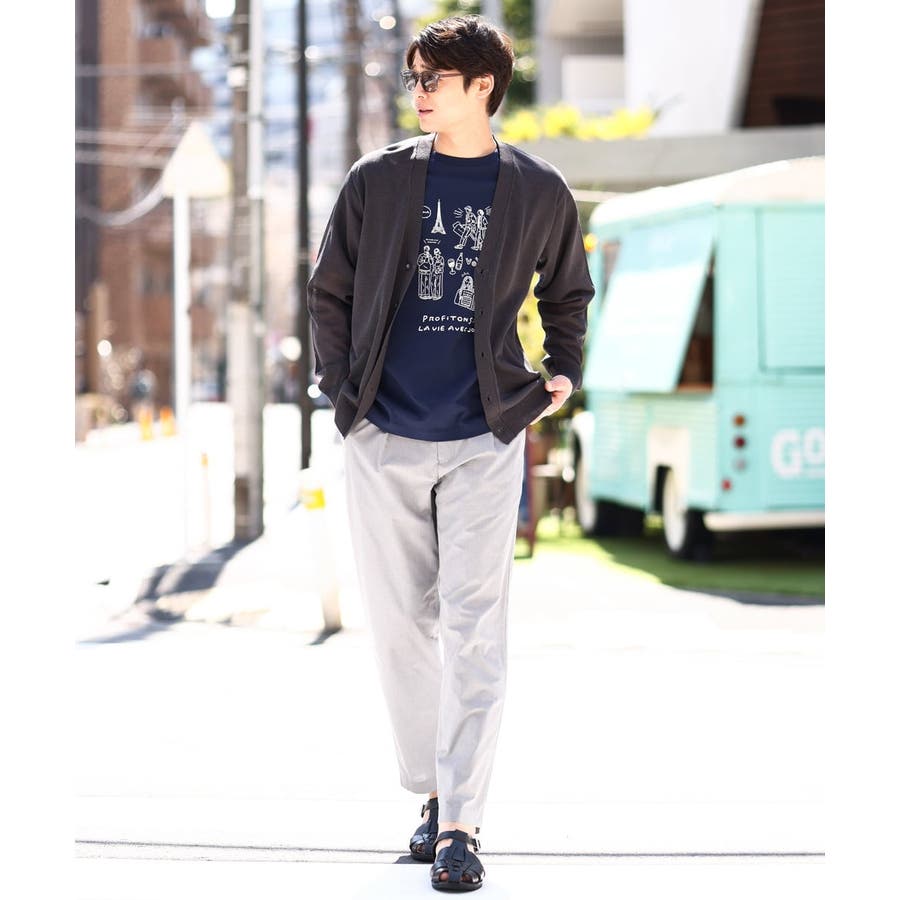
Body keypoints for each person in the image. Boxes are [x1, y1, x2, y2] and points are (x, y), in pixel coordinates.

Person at [308, 14, 594, 892]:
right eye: (415, 78)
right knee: (401, 627)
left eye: (433, 78)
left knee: (475, 628)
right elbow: (329, 291)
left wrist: (562, 370)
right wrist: (344, 398)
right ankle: (432, 790)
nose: (419, 92)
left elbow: (568, 293)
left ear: (483, 87)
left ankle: (462, 822)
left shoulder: (538, 190)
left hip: (484, 436)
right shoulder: (378, 180)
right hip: (383, 432)